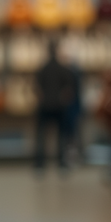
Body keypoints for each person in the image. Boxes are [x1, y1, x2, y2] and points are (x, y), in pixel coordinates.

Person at [33, 40, 77, 170]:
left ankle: (39, 163)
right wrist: (63, 99)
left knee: (41, 135)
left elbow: (36, 88)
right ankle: (61, 162)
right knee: (60, 136)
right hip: (59, 106)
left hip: (44, 105)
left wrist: (42, 98)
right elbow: (69, 88)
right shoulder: (62, 68)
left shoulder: (42, 69)